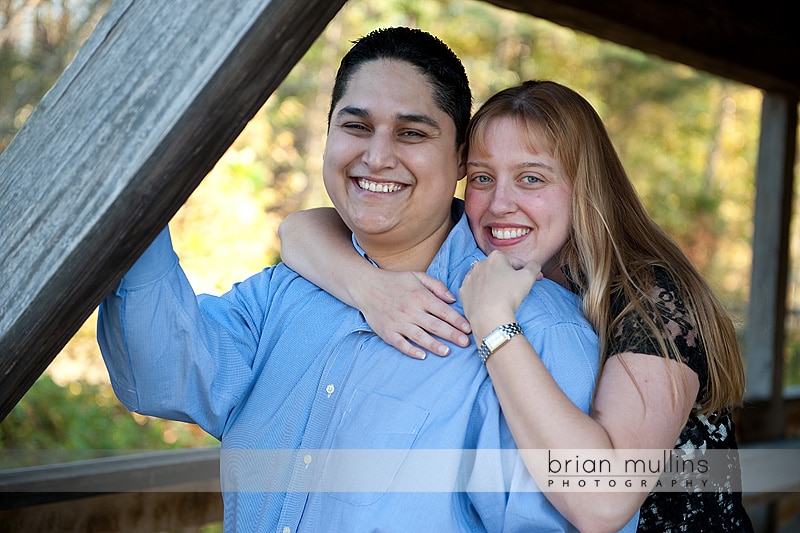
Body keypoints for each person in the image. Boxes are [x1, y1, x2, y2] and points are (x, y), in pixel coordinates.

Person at [97, 30, 616, 532]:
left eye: (412, 133)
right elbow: (160, 375)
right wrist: (135, 193)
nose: (377, 156)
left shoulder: (536, 327)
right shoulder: (281, 292)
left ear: (460, 158)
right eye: (356, 127)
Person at [278, 80, 753, 532]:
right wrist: (368, 287)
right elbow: (301, 230)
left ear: (586, 186)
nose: (500, 203)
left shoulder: (653, 299)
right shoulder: (491, 255)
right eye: (483, 178)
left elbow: (603, 499)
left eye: (530, 179)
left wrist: (494, 322)